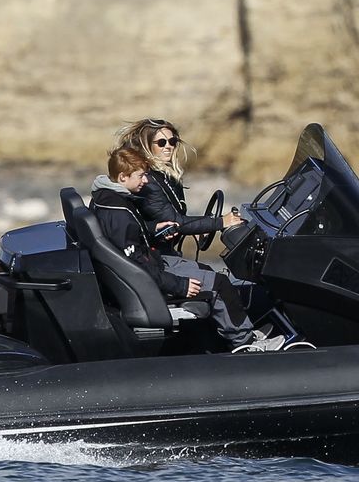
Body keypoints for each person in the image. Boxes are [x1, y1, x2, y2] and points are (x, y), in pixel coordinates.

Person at [90, 148, 283, 353]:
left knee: (205, 269)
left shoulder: (104, 198)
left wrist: (152, 229)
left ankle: (223, 333)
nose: (145, 181)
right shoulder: (119, 214)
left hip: (152, 261)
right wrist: (180, 286)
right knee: (219, 284)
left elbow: (126, 238)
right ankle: (245, 343)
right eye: (141, 176)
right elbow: (137, 266)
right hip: (149, 275)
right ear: (123, 177)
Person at [113, 118, 245, 257]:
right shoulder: (148, 182)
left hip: (165, 251)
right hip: (154, 256)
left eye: (172, 141)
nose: (168, 146)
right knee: (211, 273)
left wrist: (202, 227)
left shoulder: (165, 176)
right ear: (147, 146)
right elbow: (175, 221)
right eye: (161, 143)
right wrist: (221, 222)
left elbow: (175, 218)